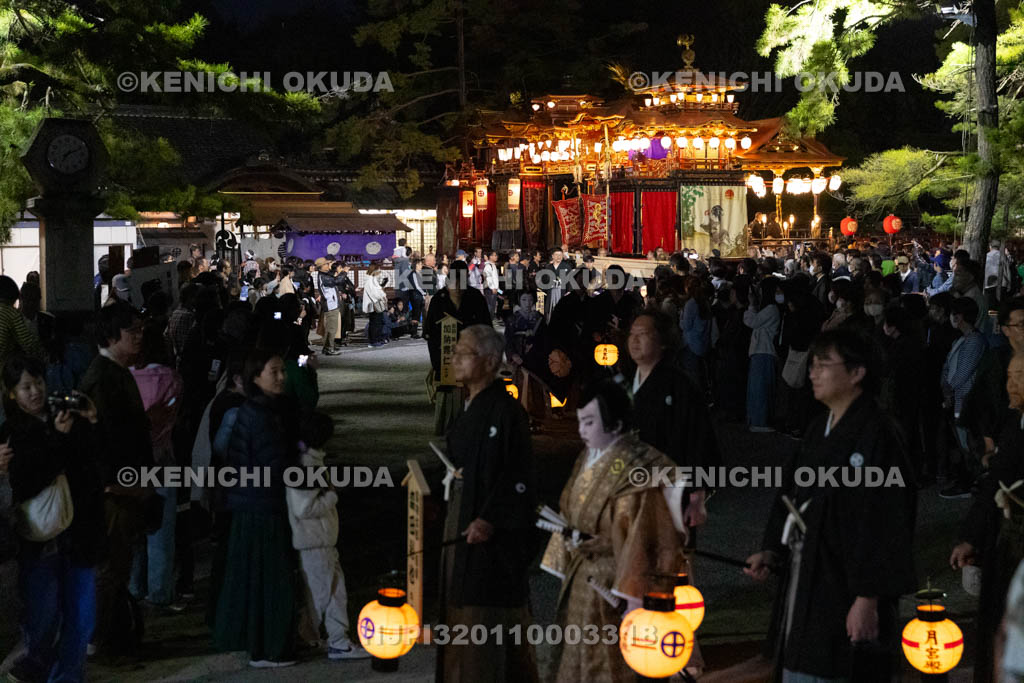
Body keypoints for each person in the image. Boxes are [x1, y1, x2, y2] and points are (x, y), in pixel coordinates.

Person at [745, 330, 916, 681]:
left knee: (840, 665)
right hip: (807, 567)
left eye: (824, 365)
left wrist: (868, 597)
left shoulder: (879, 434)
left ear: (857, 373)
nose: (813, 373)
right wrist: (772, 548)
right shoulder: (817, 427)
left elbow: (888, 520)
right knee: (799, 657)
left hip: (847, 581)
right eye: (813, 364)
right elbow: (790, 494)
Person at [542, 380, 688, 682]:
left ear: (616, 423)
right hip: (583, 575)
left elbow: (645, 535)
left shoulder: (639, 470)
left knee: (609, 662)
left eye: (590, 421)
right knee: (576, 657)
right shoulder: (588, 456)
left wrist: (634, 598)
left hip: (616, 583)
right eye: (581, 420)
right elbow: (570, 508)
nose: (582, 429)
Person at [437, 325, 539, 683]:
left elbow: (519, 475)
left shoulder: (507, 411)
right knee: (459, 611)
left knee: (487, 622)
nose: (456, 359)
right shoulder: (472, 405)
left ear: (491, 361)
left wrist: (492, 518)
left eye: (465, 353)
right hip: (462, 515)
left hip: (490, 533)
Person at [3, 355, 105, 683]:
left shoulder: (62, 415)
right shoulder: (11, 434)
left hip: (78, 532)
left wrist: (90, 421)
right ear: (11, 393)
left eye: (39, 384)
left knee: (80, 615)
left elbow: (88, 464)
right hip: (39, 538)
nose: (34, 392)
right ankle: (39, 670)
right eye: (25, 387)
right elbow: (27, 481)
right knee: (43, 618)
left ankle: (67, 678)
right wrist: (58, 439)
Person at [79, 301, 157, 658]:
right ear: (111, 336)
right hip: (114, 492)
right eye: (132, 331)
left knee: (117, 565)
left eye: (141, 329)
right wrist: (117, 484)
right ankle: (93, 638)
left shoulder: (115, 371)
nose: (140, 336)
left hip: (125, 487)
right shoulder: (103, 379)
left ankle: (105, 635)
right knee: (109, 567)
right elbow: (97, 444)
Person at [214, 350, 299, 668]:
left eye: (282, 371)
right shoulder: (261, 414)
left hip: (251, 502)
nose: (281, 377)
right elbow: (275, 464)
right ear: (255, 377)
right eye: (274, 371)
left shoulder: (260, 409)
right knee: (272, 578)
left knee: (256, 577)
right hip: (263, 504)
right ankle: (271, 647)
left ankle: (259, 644)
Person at [950, 351, 1024, 682]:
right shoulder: (1012, 425)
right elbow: (993, 483)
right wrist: (971, 536)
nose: (1012, 384)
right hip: (1006, 544)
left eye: (1019, 376)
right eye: (1009, 376)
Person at [286, 412, 369, 661]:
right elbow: (304, 508)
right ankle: (316, 639)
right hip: (314, 542)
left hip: (320, 541)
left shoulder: (307, 460)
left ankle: (337, 641)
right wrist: (332, 495)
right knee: (321, 597)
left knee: (333, 593)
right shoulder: (307, 465)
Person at [627, 311, 719, 532]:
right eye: (632, 334)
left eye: (643, 334)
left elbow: (699, 439)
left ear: (663, 341)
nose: (635, 340)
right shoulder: (621, 381)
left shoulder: (681, 386)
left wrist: (697, 496)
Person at [129, 320, 183, 611]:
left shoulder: (124, 378)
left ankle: (134, 587)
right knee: (162, 530)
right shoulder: (172, 377)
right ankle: (160, 591)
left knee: (135, 529)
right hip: (164, 458)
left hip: (132, 462)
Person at [744, 278, 782, 432]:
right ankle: (758, 420)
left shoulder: (771, 309)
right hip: (762, 350)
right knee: (760, 387)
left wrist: (751, 305)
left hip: (763, 350)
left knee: (760, 388)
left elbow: (752, 321)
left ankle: (760, 420)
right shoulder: (770, 308)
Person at [316, 260, 342, 356]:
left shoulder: (324, 275)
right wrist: (343, 272)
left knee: (331, 328)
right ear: (321, 266)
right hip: (330, 304)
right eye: (326, 264)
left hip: (332, 304)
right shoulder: (323, 277)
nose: (328, 265)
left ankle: (327, 347)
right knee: (331, 328)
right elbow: (337, 281)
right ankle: (329, 348)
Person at [362, 264, 389, 348]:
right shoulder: (370, 280)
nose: (380, 273)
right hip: (373, 304)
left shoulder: (372, 279)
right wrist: (382, 296)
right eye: (379, 271)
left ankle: (376, 339)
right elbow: (374, 293)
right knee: (375, 323)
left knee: (377, 322)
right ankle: (373, 341)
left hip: (374, 303)